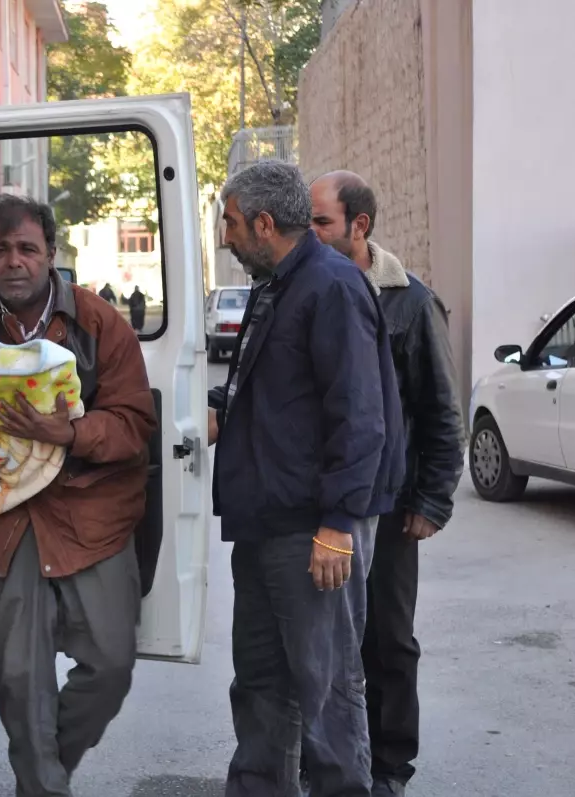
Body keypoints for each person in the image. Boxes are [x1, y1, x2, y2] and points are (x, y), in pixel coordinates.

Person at [0, 194, 156, 797]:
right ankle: (42, 788)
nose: (14, 262)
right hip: (5, 515)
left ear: (51, 254)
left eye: (27, 248)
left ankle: (42, 768)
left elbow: (135, 425)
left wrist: (70, 433)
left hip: (92, 515)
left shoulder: (100, 323)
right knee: (21, 679)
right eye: (0, 250)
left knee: (109, 668)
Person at [206, 161, 405, 797]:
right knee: (261, 685)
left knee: (328, 692)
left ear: (265, 224)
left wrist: (338, 525)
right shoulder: (276, 286)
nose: (226, 238)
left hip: (312, 531)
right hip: (265, 525)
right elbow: (277, 395)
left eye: (232, 224)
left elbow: (361, 418)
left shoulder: (333, 287)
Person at [310, 171, 465, 797]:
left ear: (359, 226)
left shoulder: (410, 301)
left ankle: (389, 768)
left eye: (322, 222)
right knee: (326, 641)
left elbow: (442, 411)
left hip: (395, 506)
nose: (312, 233)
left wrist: (432, 501)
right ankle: (327, 759)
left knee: (388, 642)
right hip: (330, 504)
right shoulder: (309, 288)